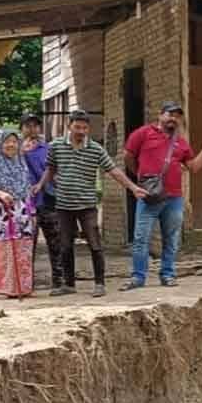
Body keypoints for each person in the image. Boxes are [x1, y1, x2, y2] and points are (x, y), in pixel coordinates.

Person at [34, 110, 146, 298]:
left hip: (87, 205)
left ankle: (99, 283)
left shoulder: (95, 149)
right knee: (65, 245)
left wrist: (133, 188)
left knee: (95, 244)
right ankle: (69, 284)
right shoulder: (56, 147)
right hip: (63, 205)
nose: (81, 131)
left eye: (85, 127)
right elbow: (51, 168)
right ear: (69, 126)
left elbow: (113, 170)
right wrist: (41, 184)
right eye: (77, 127)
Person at [120, 101, 202, 290]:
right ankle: (138, 277)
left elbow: (194, 167)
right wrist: (140, 174)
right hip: (149, 196)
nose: (173, 119)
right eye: (170, 114)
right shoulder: (143, 133)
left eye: (177, 116)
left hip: (174, 198)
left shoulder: (181, 142)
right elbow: (128, 155)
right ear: (160, 115)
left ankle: (168, 274)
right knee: (141, 238)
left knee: (171, 238)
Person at [0, 129, 36, 298]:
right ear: (0, 143)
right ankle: (4, 289)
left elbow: (27, 187)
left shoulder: (21, 162)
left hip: (22, 212)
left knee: (23, 248)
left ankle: (24, 288)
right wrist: (0, 194)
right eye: (7, 141)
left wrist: (31, 211)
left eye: (14, 141)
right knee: (4, 248)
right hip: (2, 212)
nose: (11, 145)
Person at [20, 112, 63, 290]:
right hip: (26, 204)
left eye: (35, 126)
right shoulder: (15, 149)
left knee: (56, 242)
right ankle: (26, 282)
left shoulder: (48, 148)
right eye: (28, 126)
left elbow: (55, 170)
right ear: (21, 129)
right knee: (28, 244)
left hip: (48, 199)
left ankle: (59, 281)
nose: (32, 129)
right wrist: (22, 152)